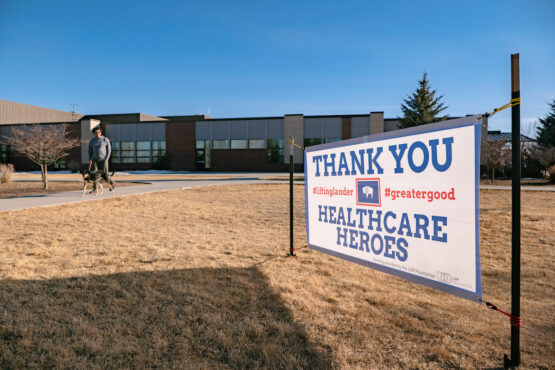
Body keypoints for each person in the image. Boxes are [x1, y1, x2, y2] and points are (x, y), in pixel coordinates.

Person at [88, 126, 115, 192]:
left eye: (98, 132)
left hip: (103, 160)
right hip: (94, 160)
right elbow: (90, 151)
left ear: (101, 132)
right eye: (95, 132)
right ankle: (95, 189)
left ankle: (112, 183)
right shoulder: (92, 141)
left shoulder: (105, 139)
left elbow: (109, 149)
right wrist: (90, 159)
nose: (97, 133)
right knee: (95, 175)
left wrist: (107, 158)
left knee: (104, 174)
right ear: (94, 133)